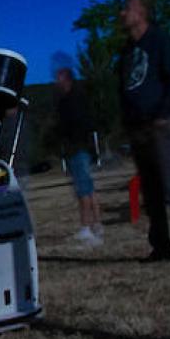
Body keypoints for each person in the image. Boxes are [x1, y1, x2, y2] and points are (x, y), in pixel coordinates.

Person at [118, 0, 170, 263]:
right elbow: (125, 85)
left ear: (141, 12)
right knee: (151, 192)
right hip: (138, 128)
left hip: (162, 124)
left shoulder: (161, 41)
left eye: (126, 9)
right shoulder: (128, 50)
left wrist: (164, 113)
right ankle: (161, 247)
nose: (121, 14)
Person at [52, 66, 104, 247]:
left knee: (83, 190)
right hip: (83, 148)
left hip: (77, 149)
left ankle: (86, 228)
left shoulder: (70, 101)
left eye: (59, 78)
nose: (56, 82)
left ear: (67, 80)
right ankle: (97, 224)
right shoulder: (79, 98)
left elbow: (71, 126)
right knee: (89, 189)